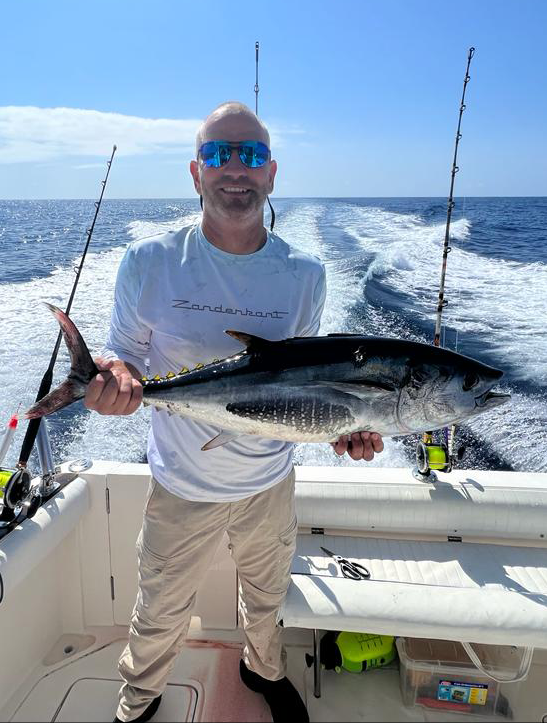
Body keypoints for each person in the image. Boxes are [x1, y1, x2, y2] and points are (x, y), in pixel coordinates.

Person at [90, 101, 384, 723]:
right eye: (219, 154)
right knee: (160, 606)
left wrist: (342, 429)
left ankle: (263, 669)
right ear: (195, 172)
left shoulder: (304, 274)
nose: (235, 169)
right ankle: (137, 699)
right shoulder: (150, 263)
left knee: (267, 596)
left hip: (269, 484)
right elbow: (126, 358)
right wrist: (115, 378)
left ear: (271, 173)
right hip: (180, 483)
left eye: (250, 155)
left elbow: (308, 382)